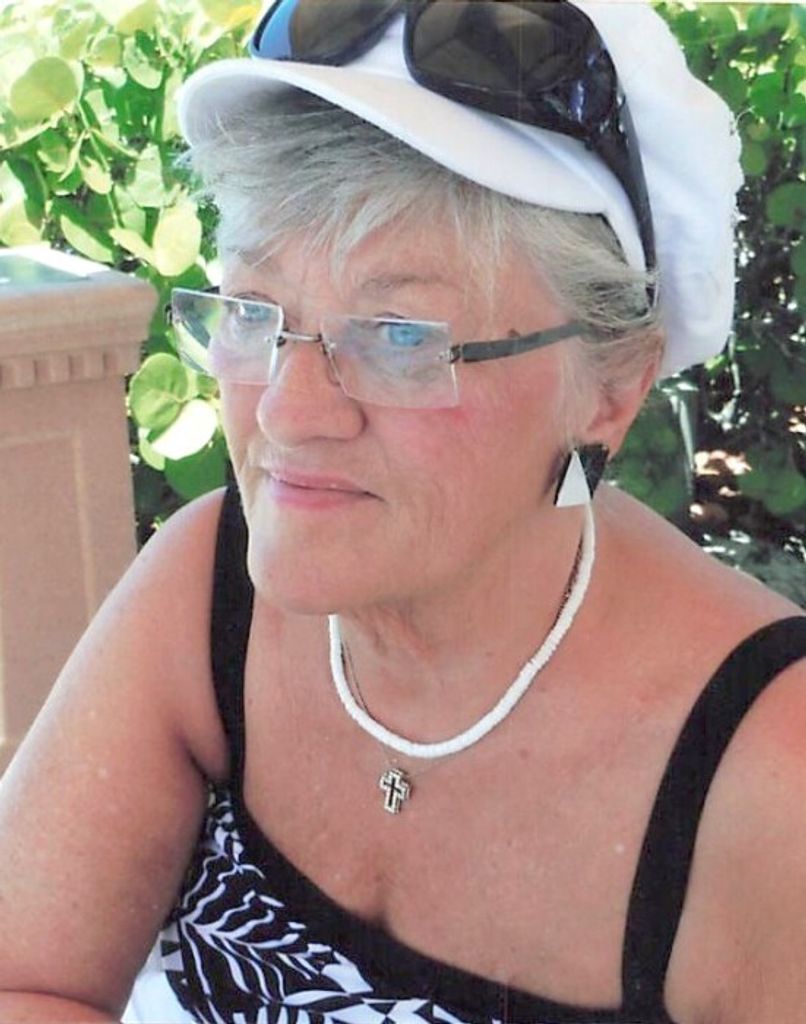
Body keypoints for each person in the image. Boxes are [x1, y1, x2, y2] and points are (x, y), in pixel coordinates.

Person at [1, 2, 805, 1022]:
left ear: (610, 386)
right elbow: (26, 975)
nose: (286, 413)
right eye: (254, 311)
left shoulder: (763, 777)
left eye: (397, 335)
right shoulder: (209, 587)